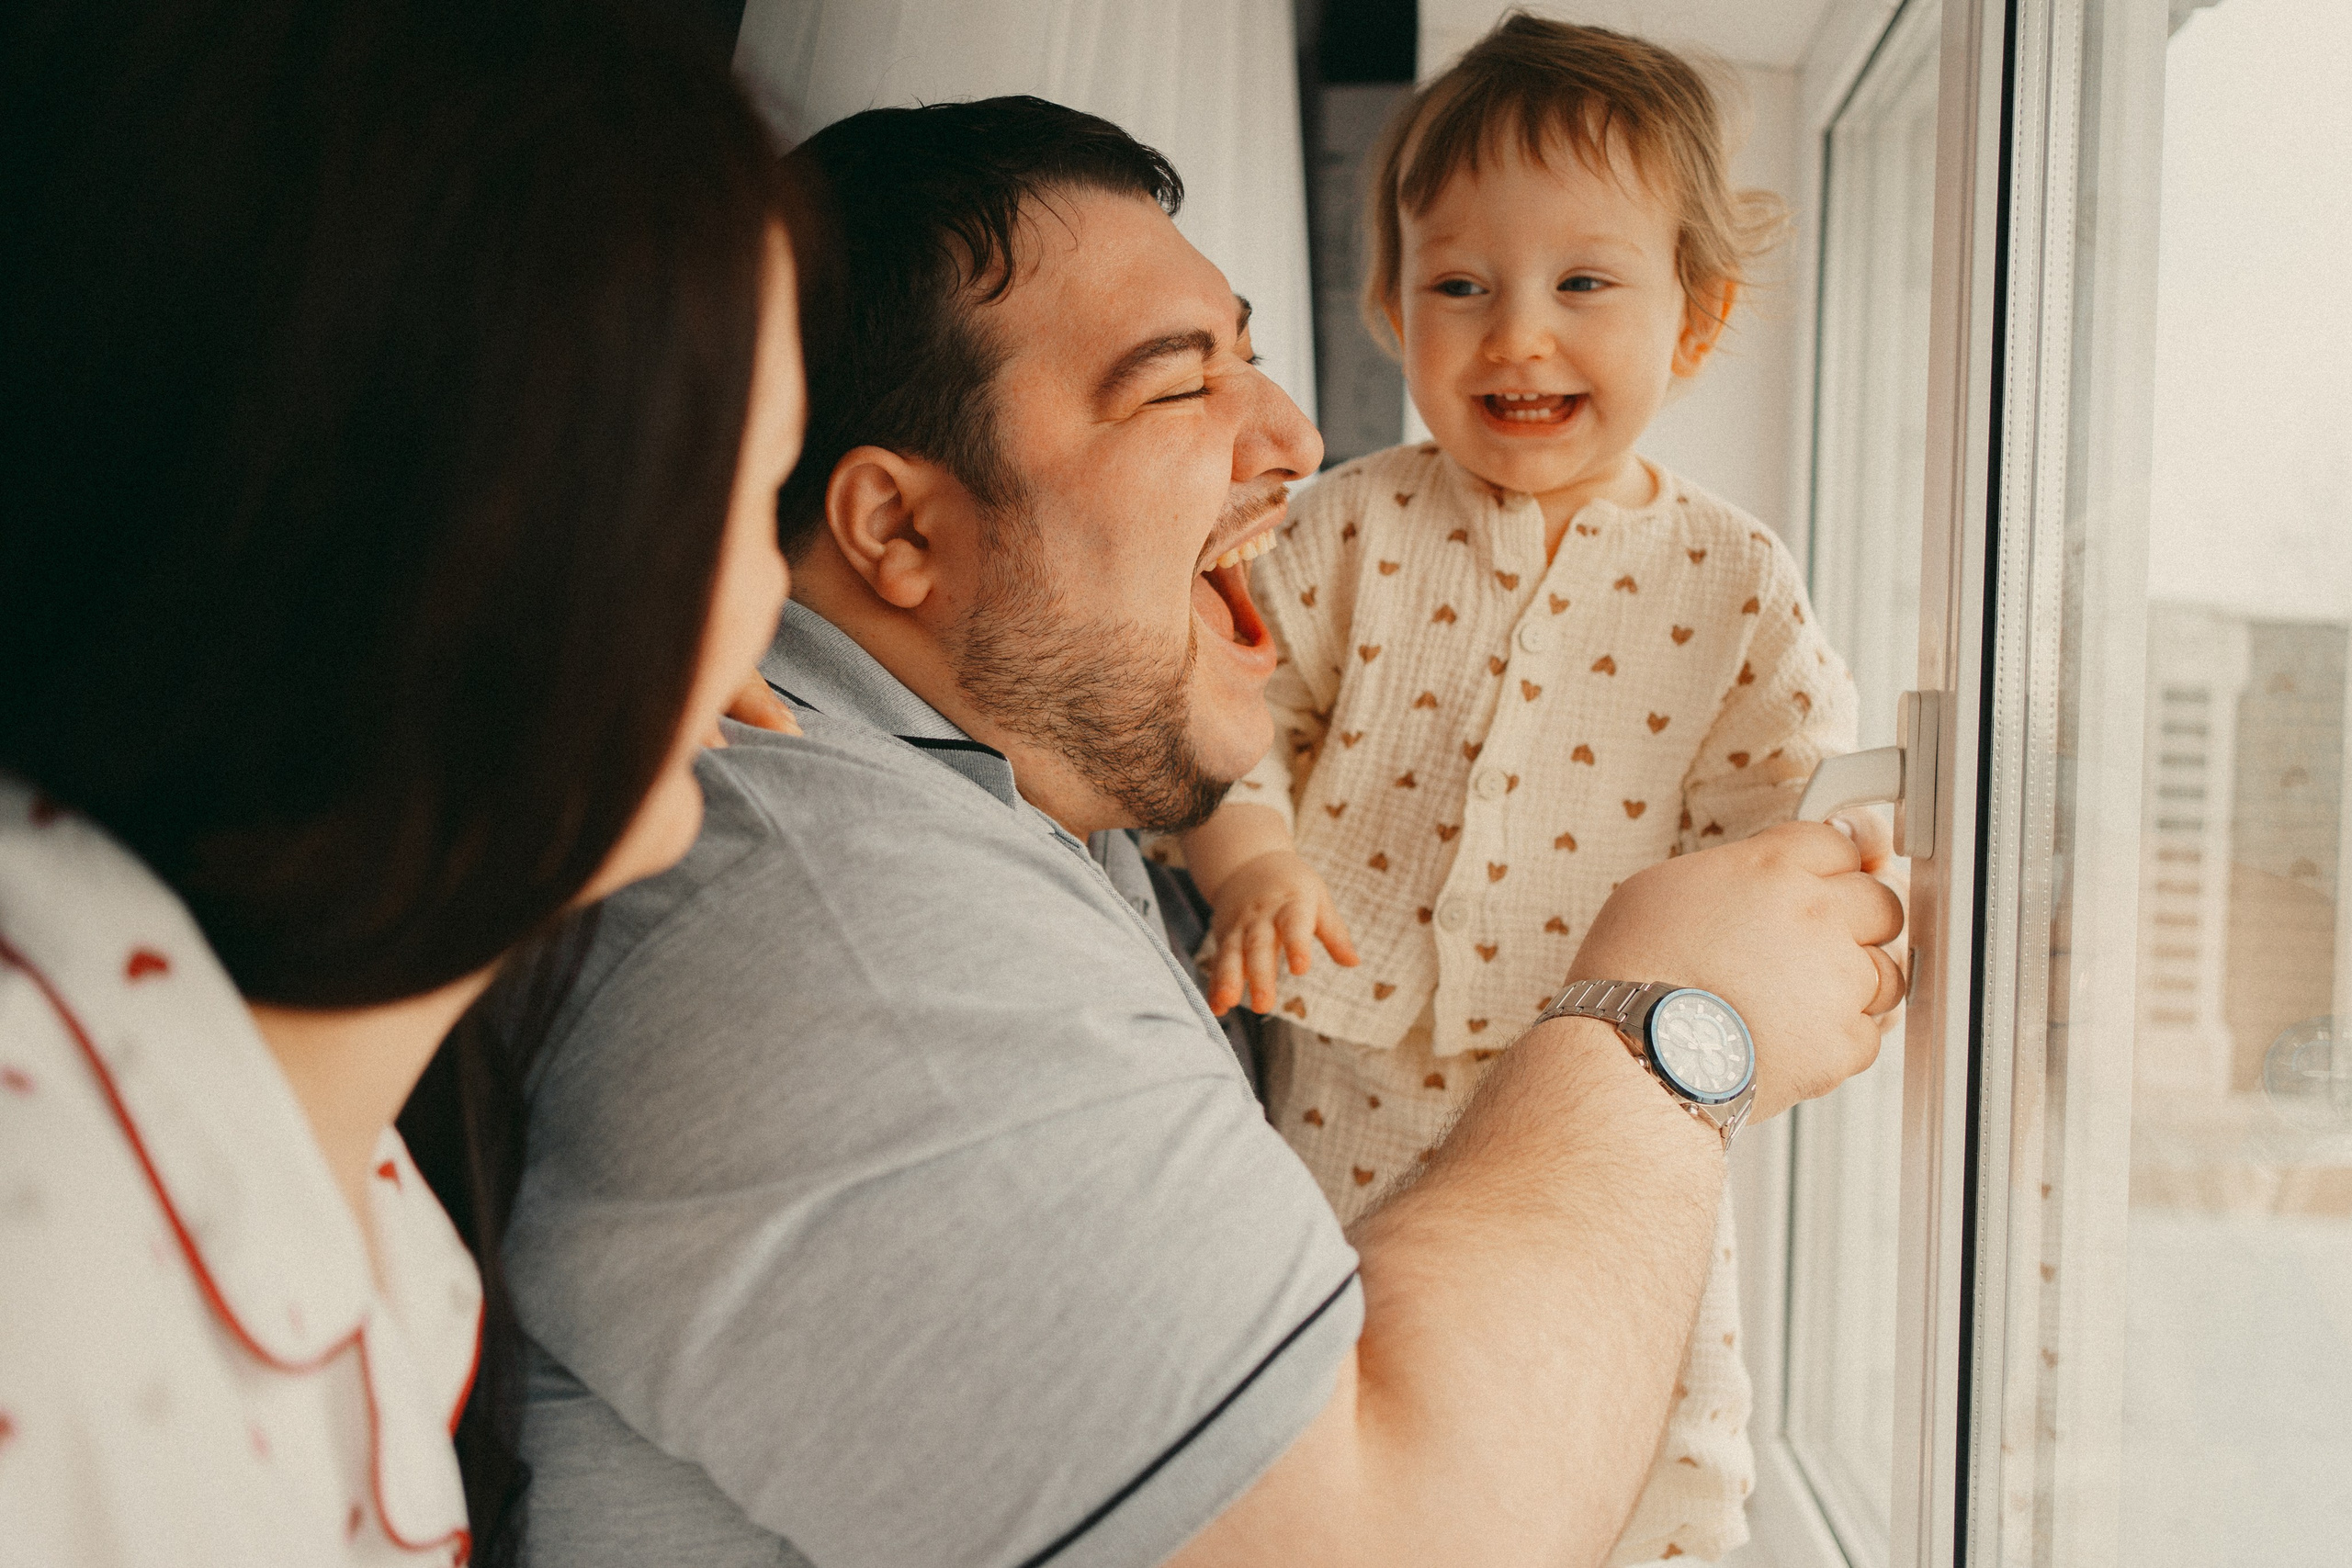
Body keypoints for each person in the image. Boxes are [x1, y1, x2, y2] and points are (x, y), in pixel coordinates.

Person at [502, 96, 1902, 1568]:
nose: (1295, 435)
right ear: (900, 533)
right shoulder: (849, 929)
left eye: (1252, 355)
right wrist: (1676, 1019)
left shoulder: (1004, 809)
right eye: (1182, 389)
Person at [0, 2, 801, 1562]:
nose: (771, 607)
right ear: (484, 529)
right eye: (749, 495)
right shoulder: (42, 1232)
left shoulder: (356, 1202)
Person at [1170, 18, 1844, 1559]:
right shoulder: (1347, 526)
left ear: (1697, 318)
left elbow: (1777, 828)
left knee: (1634, 1387)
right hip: (1349, 1070)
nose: (1515, 334)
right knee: (1327, 1359)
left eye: (1583, 284)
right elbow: (1224, 712)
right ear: (1392, 305)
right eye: (1458, 285)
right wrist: (1254, 859)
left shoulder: (1733, 579)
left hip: (1603, 1082)